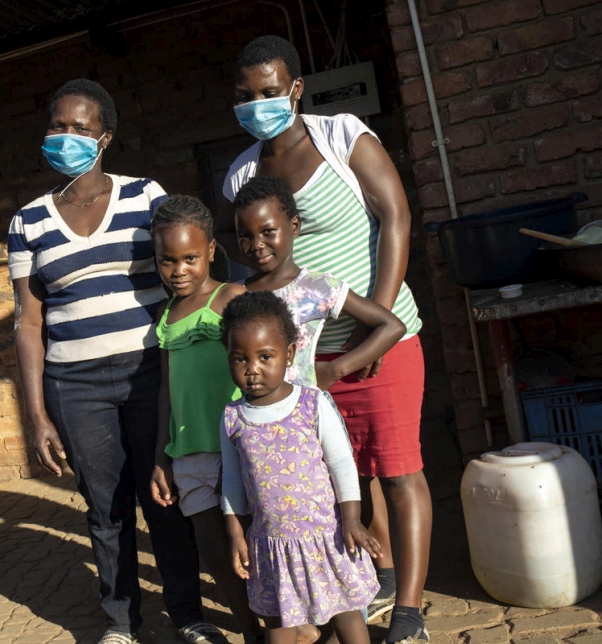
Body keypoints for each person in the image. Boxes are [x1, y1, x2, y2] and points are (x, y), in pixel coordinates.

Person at [222, 35, 432, 644]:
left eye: (269, 91)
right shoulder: (243, 171)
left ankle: (411, 613)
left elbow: (396, 214)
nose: (257, 103)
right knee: (347, 471)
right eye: (245, 95)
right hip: (303, 361)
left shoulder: (341, 136)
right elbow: (255, 265)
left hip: (379, 336)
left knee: (396, 469)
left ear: (294, 89)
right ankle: (375, 576)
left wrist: (378, 323)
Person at [8, 79, 225, 644]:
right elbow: (28, 323)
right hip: (74, 386)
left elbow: (185, 271)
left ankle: (187, 614)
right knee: (105, 510)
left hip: (152, 371)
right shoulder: (27, 221)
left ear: (105, 137)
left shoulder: (145, 196)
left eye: (80, 128)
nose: (66, 137)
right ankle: (121, 624)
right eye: (58, 126)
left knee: (165, 496)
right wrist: (37, 416)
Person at [219, 292, 382, 644]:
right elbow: (232, 480)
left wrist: (351, 518)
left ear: (289, 354)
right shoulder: (233, 418)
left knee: (347, 616)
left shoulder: (312, 403)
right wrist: (235, 534)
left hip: (327, 539)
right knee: (277, 625)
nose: (252, 369)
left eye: (265, 357)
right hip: (270, 547)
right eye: (239, 359)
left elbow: (341, 463)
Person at [148, 196, 264, 642]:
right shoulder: (165, 317)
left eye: (190, 258)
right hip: (189, 452)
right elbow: (166, 390)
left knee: (254, 542)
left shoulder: (233, 297)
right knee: (214, 553)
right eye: (168, 260)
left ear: (212, 251)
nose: (179, 270)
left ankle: (283, 625)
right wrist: (161, 455)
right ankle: (251, 632)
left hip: (239, 446)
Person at [232, 176, 405, 390]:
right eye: (245, 236)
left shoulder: (316, 287)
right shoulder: (234, 294)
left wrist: (335, 370)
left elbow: (391, 326)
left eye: (268, 232)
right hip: (250, 417)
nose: (257, 244)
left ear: (294, 226)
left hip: (305, 415)